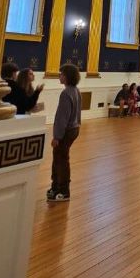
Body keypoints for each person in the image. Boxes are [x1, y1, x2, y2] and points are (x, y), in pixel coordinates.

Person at [47, 63, 81, 201]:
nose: (59, 76)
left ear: (66, 76)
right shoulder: (75, 90)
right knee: (60, 158)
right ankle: (55, 186)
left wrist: (57, 136)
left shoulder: (66, 93)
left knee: (60, 159)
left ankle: (63, 190)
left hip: (66, 131)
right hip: (74, 128)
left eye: (61, 74)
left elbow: (62, 118)